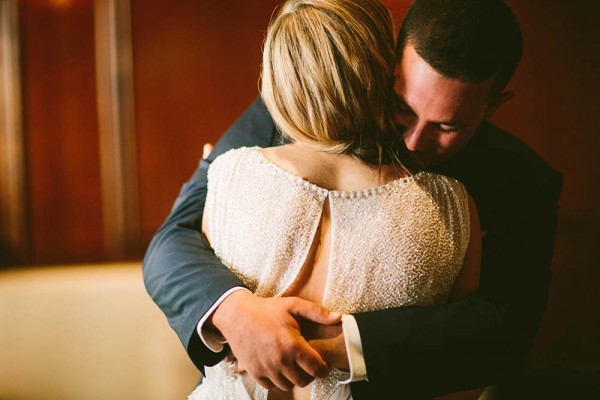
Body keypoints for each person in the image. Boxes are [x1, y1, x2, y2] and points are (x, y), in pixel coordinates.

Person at [143, 0, 563, 398]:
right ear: (391, 63)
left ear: (494, 106)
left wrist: (345, 345)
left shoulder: (524, 182)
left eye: (447, 126)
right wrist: (234, 313)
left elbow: (504, 334)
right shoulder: (306, 105)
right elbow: (172, 237)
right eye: (402, 107)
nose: (414, 140)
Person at [186, 0, 480, 399]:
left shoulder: (229, 176)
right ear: (386, 70)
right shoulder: (452, 207)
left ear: (276, 82)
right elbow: (461, 370)